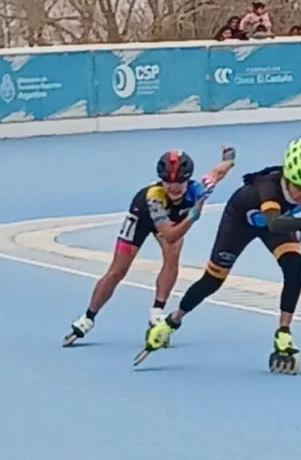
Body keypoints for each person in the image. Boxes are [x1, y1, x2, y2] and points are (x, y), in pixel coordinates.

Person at [134, 108, 301, 373]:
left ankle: (284, 333)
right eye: (299, 189)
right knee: (212, 281)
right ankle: (171, 321)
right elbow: (274, 221)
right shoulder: (268, 188)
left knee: (294, 271)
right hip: (241, 221)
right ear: (288, 178)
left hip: (279, 221)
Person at [62, 146, 236, 347]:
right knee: (117, 271)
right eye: (168, 182)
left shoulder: (200, 189)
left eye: (179, 182)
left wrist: (229, 158)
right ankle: (88, 317)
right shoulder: (154, 196)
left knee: (173, 255)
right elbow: (170, 235)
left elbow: (218, 172)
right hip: (144, 214)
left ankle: (156, 313)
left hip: (172, 219)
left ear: (188, 179)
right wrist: (192, 216)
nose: (174, 187)